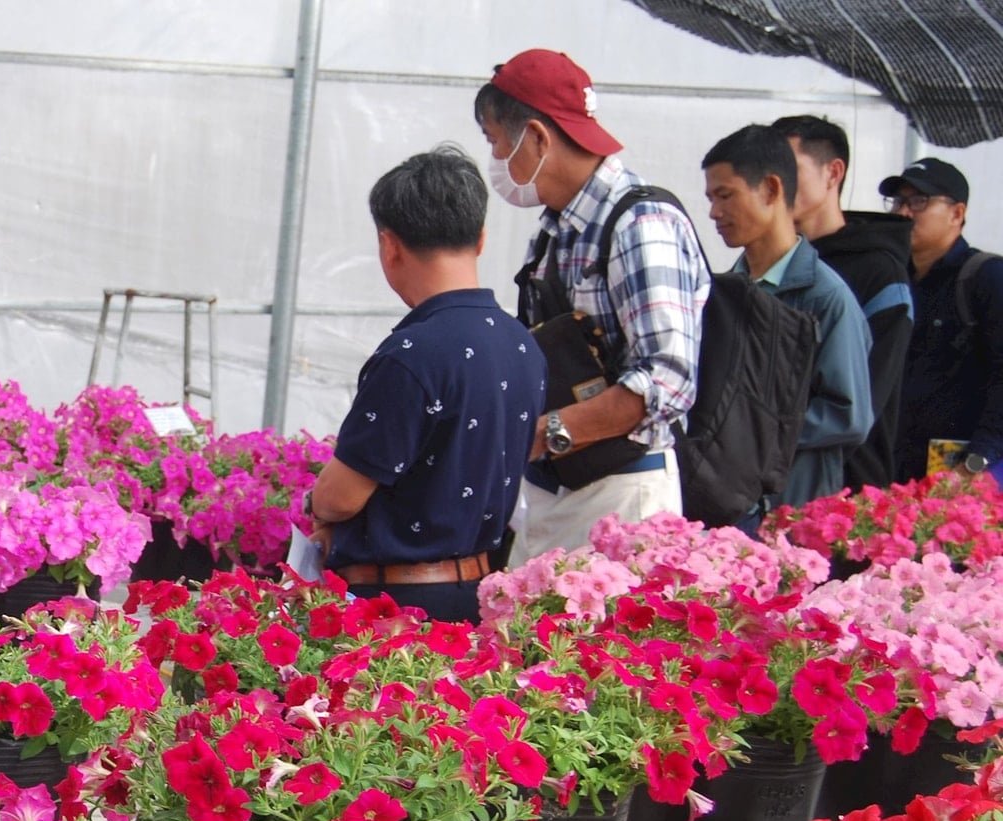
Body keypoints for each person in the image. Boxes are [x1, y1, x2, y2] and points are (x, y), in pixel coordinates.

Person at [475, 49, 711, 563]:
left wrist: (549, 434)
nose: (495, 161)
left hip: (623, 496)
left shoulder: (639, 224)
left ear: (536, 137)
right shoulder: (557, 227)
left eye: (496, 142)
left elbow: (668, 378)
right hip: (556, 486)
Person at [309, 146, 546, 622]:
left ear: (389, 244)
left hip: (397, 608)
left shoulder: (412, 355)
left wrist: (314, 501)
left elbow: (340, 497)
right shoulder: (522, 345)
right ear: (480, 239)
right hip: (478, 598)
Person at [701, 126, 872, 511]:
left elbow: (850, 415)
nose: (714, 212)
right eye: (711, 198)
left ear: (772, 190)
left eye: (726, 195)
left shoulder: (827, 298)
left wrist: (749, 431)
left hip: (795, 511)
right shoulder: (721, 292)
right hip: (726, 506)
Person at [771, 115, 914, 491]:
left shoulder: (880, 273)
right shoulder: (769, 265)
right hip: (768, 479)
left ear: (833, 172)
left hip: (843, 493)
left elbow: (861, 404)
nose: (775, 183)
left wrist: (757, 432)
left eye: (790, 168)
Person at [880, 157, 1003, 484]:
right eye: (899, 202)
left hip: (967, 471)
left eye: (919, 201)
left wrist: (978, 460)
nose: (904, 213)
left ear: (957, 213)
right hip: (898, 468)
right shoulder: (893, 280)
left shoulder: (986, 276)